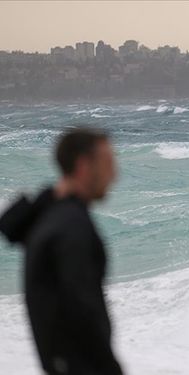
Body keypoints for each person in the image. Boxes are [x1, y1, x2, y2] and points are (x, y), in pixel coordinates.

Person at [0, 128, 123, 375]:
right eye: (108, 163)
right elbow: (81, 309)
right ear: (83, 165)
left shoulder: (47, 217)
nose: (114, 175)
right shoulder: (71, 227)